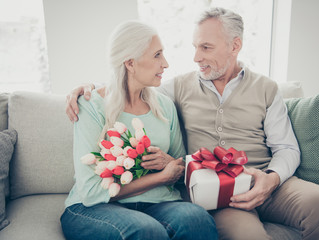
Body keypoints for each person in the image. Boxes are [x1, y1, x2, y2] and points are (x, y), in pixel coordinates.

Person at [65, 8, 319, 240]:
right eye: (195, 46)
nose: (195, 57)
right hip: (220, 189)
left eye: (206, 47)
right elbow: (128, 93)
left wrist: (271, 179)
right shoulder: (176, 89)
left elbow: (287, 148)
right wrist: (90, 88)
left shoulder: (266, 88)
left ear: (234, 46)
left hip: (268, 178)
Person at [60, 20, 218, 240]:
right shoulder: (90, 106)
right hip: (94, 207)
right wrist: (159, 177)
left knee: (197, 220)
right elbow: (91, 191)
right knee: (146, 231)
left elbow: (181, 165)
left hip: (157, 204)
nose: (165, 64)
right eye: (157, 55)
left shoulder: (164, 106)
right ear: (130, 63)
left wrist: (169, 162)